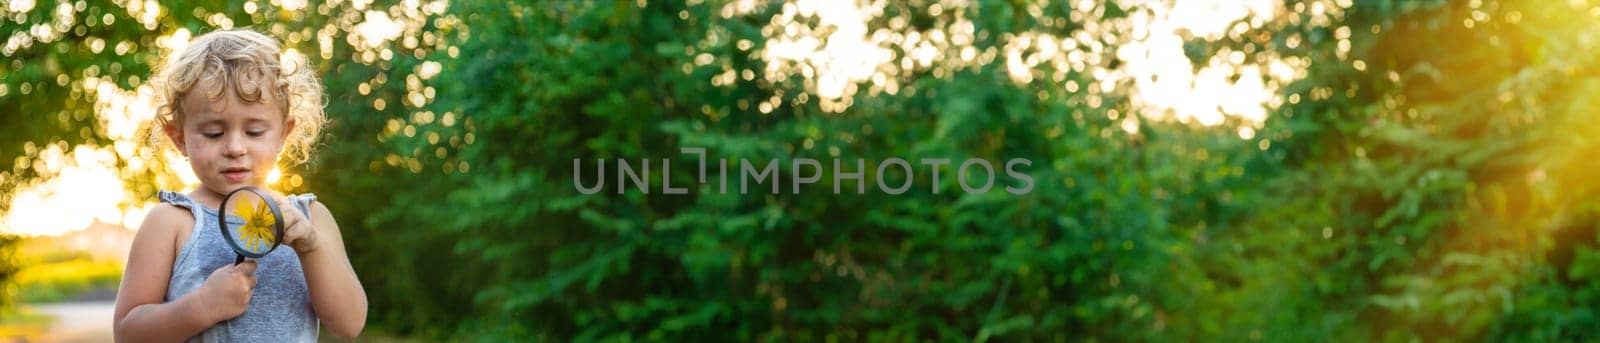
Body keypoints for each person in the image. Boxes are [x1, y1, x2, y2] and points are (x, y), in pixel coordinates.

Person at [112, 29, 366, 342]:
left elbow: (350, 324)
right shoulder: (172, 221)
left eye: (255, 131)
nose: (234, 147)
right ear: (179, 138)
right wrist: (202, 306)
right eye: (214, 133)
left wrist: (311, 247)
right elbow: (127, 332)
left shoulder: (311, 218)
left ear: (284, 133)